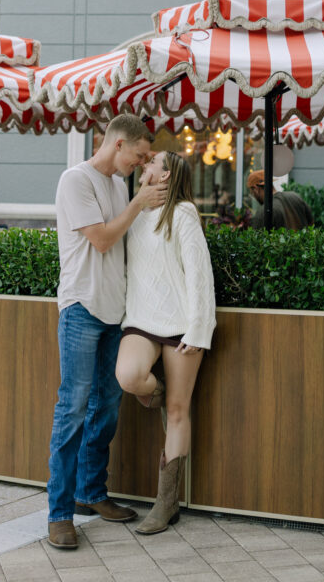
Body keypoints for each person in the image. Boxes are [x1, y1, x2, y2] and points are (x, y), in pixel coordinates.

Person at [47, 114, 168, 551]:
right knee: (74, 407)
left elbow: (126, 245)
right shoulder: (75, 180)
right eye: (138, 154)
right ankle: (59, 514)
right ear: (118, 144)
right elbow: (100, 239)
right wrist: (137, 203)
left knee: (107, 408)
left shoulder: (119, 185)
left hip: (115, 313)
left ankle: (90, 493)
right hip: (81, 307)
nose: (140, 163)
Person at [115, 150, 216, 535]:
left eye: (153, 161)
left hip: (181, 325)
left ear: (168, 174)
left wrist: (198, 329)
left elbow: (198, 274)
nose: (146, 164)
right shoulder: (134, 211)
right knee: (128, 376)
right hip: (140, 320)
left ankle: (166, 503)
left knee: (178, 410)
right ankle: (153, 394)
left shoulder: (184, 213)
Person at [247, 169, 313, 229]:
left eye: (252, 193)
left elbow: (258, 240)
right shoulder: (295, 196)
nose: (253, 196)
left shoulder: (263, 212)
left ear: (256, 189)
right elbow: (311, 223)